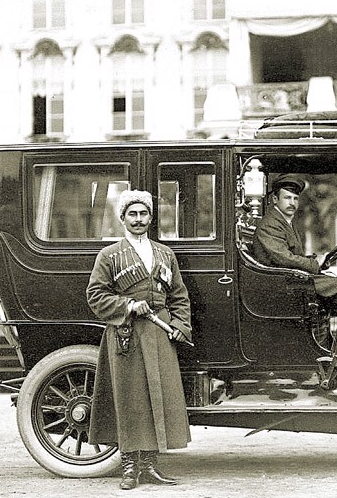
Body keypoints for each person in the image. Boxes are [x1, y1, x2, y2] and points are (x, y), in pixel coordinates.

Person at [86, 189, 193, 490]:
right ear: (122, 218)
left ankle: (150, 466)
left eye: (143, 214)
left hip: (159, 333)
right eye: (132, 214)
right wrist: (129, 306)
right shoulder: (109, 255)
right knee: (130, 400)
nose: (138, 219)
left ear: (150, 217)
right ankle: (130, 469)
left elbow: (179, 296)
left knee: (156, 399)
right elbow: (95, 295)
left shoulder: (164, 254)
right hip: (126, 335)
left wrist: (180, 326)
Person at [251, 173, 337, 348]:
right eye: (287, 198)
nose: (292, 203)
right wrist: (314, 264)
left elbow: (289, 256)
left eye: (296, 198)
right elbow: (282, 258)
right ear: (275, 199)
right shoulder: (270, 224)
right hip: (283, 284)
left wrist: (318, 261)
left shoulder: (284, 222)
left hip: (291, 280)